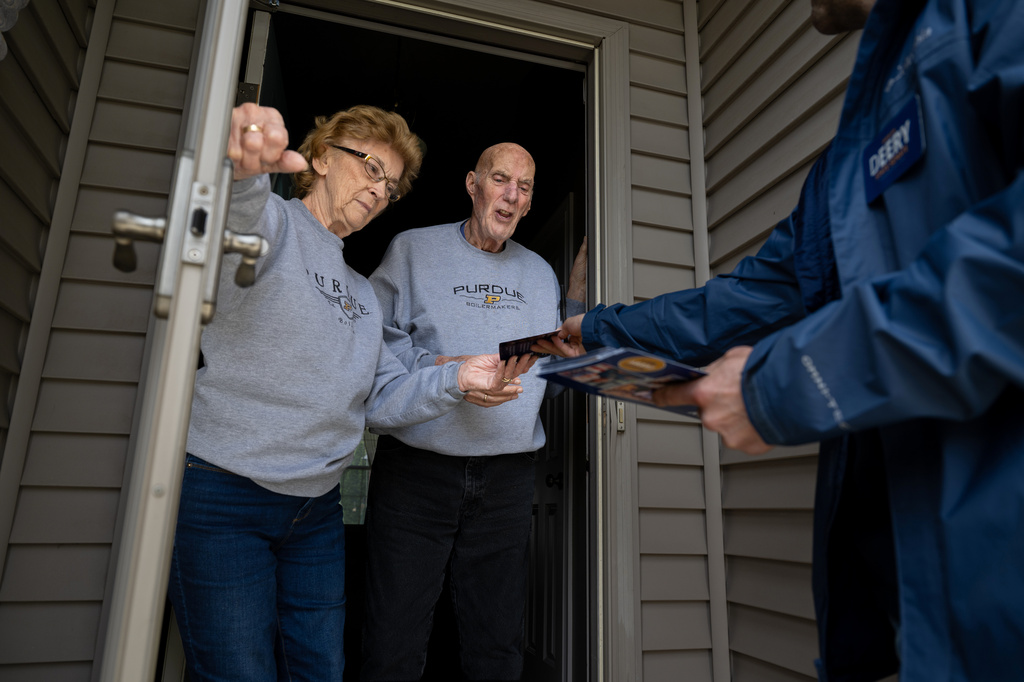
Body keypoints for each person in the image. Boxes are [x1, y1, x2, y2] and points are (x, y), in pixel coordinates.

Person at [545, 0, 1024, 679]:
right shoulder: (845, 160)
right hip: (900, 593)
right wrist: (598, 327)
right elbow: (747, 301)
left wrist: (781, 385)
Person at [168, 103, 530, 682]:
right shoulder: (275, 228)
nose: (378, 188)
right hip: (225, 495)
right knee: (240, 670)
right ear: (318, 158)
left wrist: (457, 379)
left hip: (313, 510)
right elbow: (235, 230)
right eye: (368, 166)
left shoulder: (362, 295)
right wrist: (242, 173)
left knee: (320, 669)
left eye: (389, 183)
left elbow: (383, 398)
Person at [360, 142, 586, 681]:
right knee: (393, 639)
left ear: (530, 203)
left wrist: (579, 324)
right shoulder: (412, 250)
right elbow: (370, 343)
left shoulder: (538, 274)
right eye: (500, 179)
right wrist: (447, 367)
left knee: (498, 643)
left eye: (524, 187)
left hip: (508, 479)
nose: (511, 196)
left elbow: (545, 370)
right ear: (472, 184)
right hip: (417, 472)